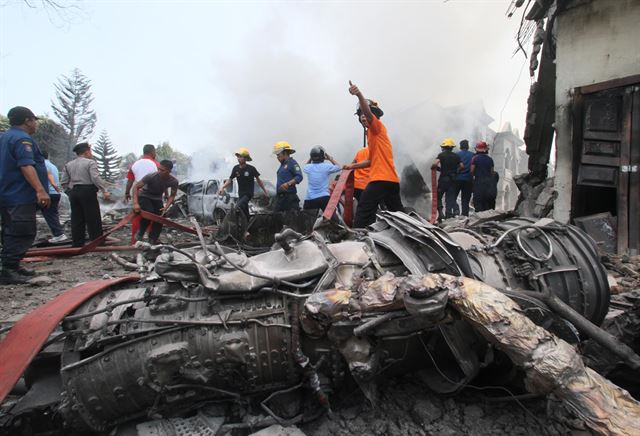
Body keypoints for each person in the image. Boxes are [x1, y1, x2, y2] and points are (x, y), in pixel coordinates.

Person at [343, 81, 404, 228]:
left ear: (373, 115)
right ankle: (417, 235)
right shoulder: (375, 136)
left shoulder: (376, 127)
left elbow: (369, 115)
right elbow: (370, 161)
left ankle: (358, 242)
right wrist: (352, 166)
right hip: (391, 181)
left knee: (363, 212)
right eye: (360, 115)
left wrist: (358, 94)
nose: (363, 117)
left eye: (365, 114)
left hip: (380, 179)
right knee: (399, 215)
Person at [0, 106, 50, 284]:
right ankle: (8, 269)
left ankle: (13, 265)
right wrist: (40, 190)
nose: (35, 124)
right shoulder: (22, 139)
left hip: (6, 194)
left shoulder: (4, 137)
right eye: (34, 120)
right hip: (19, 194)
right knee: (22, 231)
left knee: (9, 230)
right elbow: (26, 165)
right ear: (28, 120)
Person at [61, 143, 111, 247]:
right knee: (93, 218)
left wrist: (69, 191)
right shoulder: (90, 163)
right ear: (86, 152)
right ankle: (96, 242)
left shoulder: (69, 164)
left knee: (76, 218)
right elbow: (95, 178)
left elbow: (64, 181)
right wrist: (104, 190)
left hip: (74, 192)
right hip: (87, 191)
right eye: (90, 151)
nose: (91, 153)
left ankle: (77, 243)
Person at [132, 160, 178, 244]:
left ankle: (152, 239)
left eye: (162, 170)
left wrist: (166, 207)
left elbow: (172, 195)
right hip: (144, 196)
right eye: (159, 169)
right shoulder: (151, 176)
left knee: (161, 217)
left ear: (169, 171)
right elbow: (136, 187)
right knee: (150, 213)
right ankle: (140, 232)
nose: (159, 171)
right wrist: (135, 203)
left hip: (157, 198)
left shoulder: (174, 181)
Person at [218, 147, 269, 220]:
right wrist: (223, 187)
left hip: (248, 194)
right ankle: (247, 228)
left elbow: (258, 181)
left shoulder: (251, 169)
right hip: (240, 194)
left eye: (240, 157)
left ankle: (232, 223)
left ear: (245, 158)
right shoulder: (235, 168)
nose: (238, 158)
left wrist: (265, 191)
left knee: (237, 207)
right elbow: (230, 180)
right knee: (245, 212)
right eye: (238, 156)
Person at [125, 144, 160, 244]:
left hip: (138, 194)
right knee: (153, 216)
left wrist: (127, 193)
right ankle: (151, 240)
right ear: (152, 152)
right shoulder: (156, 165)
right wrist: (165, 193)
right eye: (155, 152)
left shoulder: (134, 164)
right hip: (151, 195)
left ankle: (134, 240)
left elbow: (130, 181)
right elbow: (161, 180)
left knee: (138, 216)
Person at [431, 138, 463, 221]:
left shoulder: (441, 155)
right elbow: (462, 166)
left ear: (444, 147)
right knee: (450, 197)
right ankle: (448, 214)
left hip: (443, 179)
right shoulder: (456, 156)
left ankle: (441, 214)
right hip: (453, 180)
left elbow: (434, 164)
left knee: (439, 196)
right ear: (452, 147)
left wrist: (439, 169)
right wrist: (457, 172)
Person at [40, 150, 68, 243]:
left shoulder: (41, 164)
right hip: (55, 193)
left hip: (48, 194)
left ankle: (59, 234)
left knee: (49, 215)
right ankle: (59, 233)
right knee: (52, 215)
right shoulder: (53, 166)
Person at [303, 147, 341, 211]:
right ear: (322, 157)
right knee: (332, 219)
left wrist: (311, 158)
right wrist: (330, 159)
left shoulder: (308, 167)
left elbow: (305, 166)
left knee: (308, 220)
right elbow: (338, 167)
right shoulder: (326, 166)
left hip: (309, 199)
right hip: (324, 198)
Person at [273, 141, 303, 212]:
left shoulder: (293, 163)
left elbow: (299, 176)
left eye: (278, 154)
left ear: (285, 153)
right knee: (275, 218)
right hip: (280, 198)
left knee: (292, 219)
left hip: (289, 197)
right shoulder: (282, 165)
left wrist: (288, 184)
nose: (277, 157)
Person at [470, 141, 496, 212]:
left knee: (478, 199)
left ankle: (479, 214)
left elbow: (472, 170)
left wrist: (473, 178)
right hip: (488, 183)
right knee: (486, 199)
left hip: (478, 181)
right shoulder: (490, 159)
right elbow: (492, 172)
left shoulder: (475, 158)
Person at [452, 139, 474, 217]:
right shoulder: (473, 155)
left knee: (452, 197)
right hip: (468, 180)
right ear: (468, 146)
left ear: (460, 146)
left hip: (457, 179)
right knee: (465, 200)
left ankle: (456, 209)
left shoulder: (456, 154)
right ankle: (464, 216)